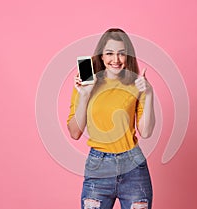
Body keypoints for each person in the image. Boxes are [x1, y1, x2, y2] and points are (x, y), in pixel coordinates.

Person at [67, 28, 155, 209]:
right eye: (109, 53)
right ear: (100, 56)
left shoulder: (136, 84)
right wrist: (84, 95)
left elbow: (146, 132)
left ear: (127, 57)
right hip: (98, 167)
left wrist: (150, 93)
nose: (115, 60)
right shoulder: (86, 83)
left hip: (133, 168)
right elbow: (75, 133)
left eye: (121, 54)